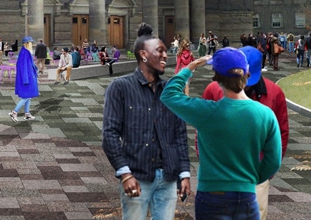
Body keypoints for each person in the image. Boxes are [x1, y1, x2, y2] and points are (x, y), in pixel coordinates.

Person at [161, 47, 281, 220]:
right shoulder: (266, 114)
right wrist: (250, 180)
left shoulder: (207, 112)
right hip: (246, 196)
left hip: (212, 195)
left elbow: (169, 95)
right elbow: (273, 161)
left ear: (217, 79)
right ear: (247, 73)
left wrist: (191, 66)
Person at [102, 23, 191, 220]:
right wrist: (125, 174)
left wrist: (184, 172)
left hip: (168, 178)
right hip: (137, 176)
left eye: (166, 51)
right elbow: (109, 134)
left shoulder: (170, 91)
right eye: (159, 51)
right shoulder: (120, 88)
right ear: (143, 55)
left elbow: (179, 134)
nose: (166, 56)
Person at [199, 46, 288, 220]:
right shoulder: (213, 90)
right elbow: (202, 130)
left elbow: (281, 134)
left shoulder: (275, 93)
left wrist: (267, 172)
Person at [8, 36, 39, 122]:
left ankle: (27, 113)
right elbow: (23, 67)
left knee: (28, 96)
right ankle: (14, 112)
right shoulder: (25, 53)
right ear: (27, 43)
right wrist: (25, 79)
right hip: (28, 78)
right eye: (30, 43)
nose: (32, 45)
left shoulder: (25, 52)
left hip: (29, 77)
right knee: (26, 96)